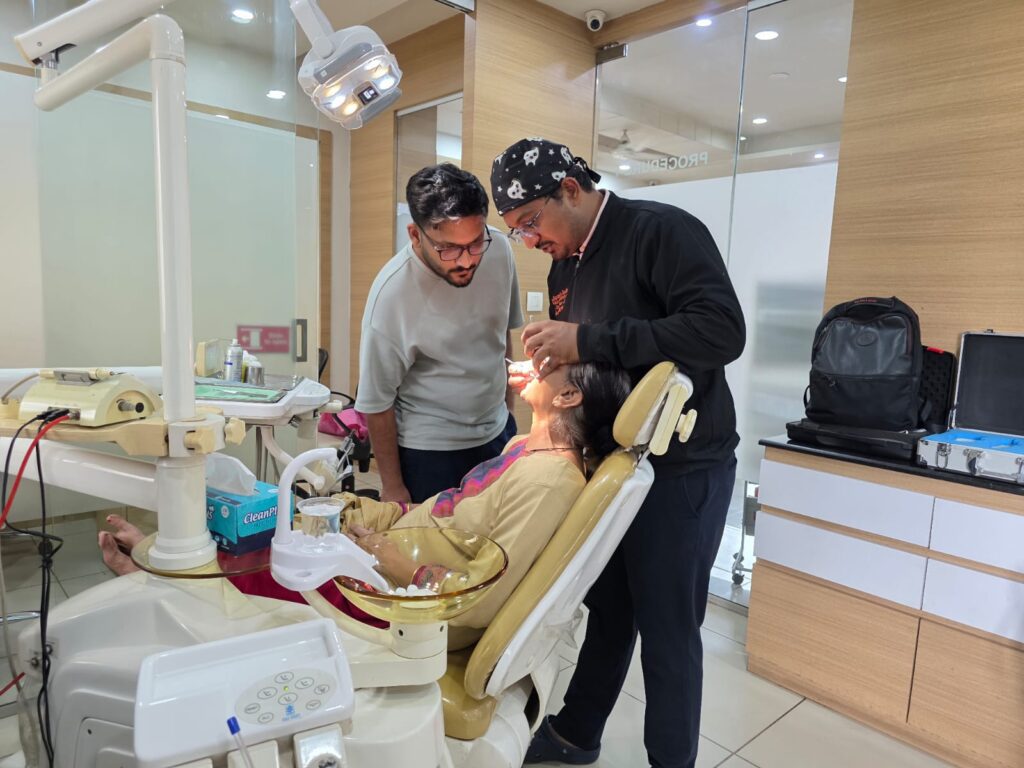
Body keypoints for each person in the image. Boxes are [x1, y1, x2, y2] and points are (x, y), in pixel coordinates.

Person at [490, 138, 745, 768]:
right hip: (612, 460)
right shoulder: (565, 266)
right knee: (606, 607)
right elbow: (596, 359)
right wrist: (550, 378)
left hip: (682, 467)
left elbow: (721, 330)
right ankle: (577, 734)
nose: (529, 241)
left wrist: (587, 339)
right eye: (517, 231)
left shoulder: (661, 233)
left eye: (530, 224)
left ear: (570, 191)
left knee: (667, 631)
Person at [99, 360, 631, 650]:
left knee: (266, 558)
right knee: (267, 508)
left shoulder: (549, 481)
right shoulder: (523, 445)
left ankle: (155, 569)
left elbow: (483, 600)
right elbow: (450, 514)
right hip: (400, 532)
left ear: (568, 397)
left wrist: (385, 556)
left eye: (552, 364)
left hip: (406, 597)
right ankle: (164, 561)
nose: (533, 361)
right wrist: (368, 517)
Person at [357, 163, 523, 505]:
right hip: (429, 451)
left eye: (475, 243)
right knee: (439, 553)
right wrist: (392, 487)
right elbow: (377, 402)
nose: (466, 260)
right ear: (415, 235)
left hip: (497, 431)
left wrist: (507, 412)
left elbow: (500, 332)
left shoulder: (500, 251)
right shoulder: (391, 297)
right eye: (448, 248)